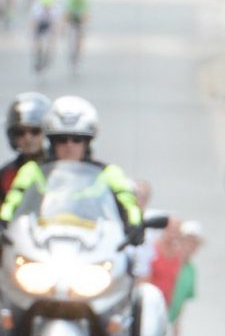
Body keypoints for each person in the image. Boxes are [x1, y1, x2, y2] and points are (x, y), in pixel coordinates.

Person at [1, 96, 142, 234]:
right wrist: (3, 221)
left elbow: (129, 203)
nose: (69, 146)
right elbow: (12, 201)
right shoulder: (32, 171)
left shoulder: (109, 173)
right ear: (52, 143)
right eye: (62, 140)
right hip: (42, 244)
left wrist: (135, 223)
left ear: (87, 143)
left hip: (95, 246)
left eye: (77, 139)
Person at [1, 91, 49, 193]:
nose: (28, 138)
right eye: (20, 132)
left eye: (35, 131)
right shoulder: (7, 174)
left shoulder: (59, 169)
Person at [29, 0, 55, 74]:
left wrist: (55, 36)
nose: (46, 8)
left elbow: (56, 24)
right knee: (38, 44)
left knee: (50, 43)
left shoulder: (55, 10)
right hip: (39, 26)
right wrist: (34, 35)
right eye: (45, 7)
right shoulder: (37, 10)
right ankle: (38, 58)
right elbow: (33, 23)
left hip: (49, 26)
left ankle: (47, 57)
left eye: (48, 7)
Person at [64, 0, 87, 72]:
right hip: (72, 20)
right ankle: (71, 53)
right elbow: (66, 13)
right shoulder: (71, 0)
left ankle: (78, 54)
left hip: (80, 21)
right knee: (71, 36)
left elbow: (86, 13)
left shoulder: (83, 1)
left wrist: (84, 21)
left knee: (80, 38)